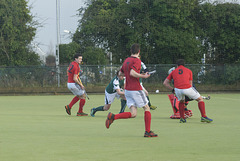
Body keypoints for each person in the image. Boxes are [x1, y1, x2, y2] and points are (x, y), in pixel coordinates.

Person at [105, 43, 158, 137]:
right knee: (147, 108)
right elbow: (132, 73)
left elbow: (121, 72)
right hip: (136, 89)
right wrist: (143, 76)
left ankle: (113, 117)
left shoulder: (126, 60)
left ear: (131, 51)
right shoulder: (137, 60)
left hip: (128, 90)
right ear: (139, 51)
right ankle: (148, 131)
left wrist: (132, 74)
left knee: (133, 114)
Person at [163, 59, 213, 123]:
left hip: (177, 90)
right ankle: (203, 116)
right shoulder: (189, 71)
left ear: (177, 65)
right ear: (184, 64)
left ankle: (182, 119)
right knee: (200, 99)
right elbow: (190, 84)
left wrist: (173, 90)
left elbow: (165, 83)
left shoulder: (173, 71)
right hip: (187, 88)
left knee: (181, 102)